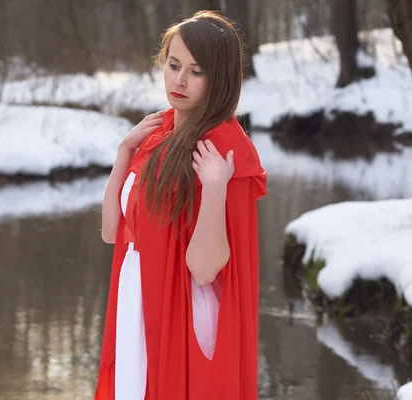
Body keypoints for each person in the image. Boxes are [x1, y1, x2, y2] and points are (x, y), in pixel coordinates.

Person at [95, 10, 267, 400]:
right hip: (138, 294)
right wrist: (124, 153)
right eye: (173, 65)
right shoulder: (160, 132)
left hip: (181, 307)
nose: (179, 80)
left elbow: (206, 271)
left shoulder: (224, 150)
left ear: (219, 77)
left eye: (196, 71)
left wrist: (215, 189)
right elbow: (112, 231)